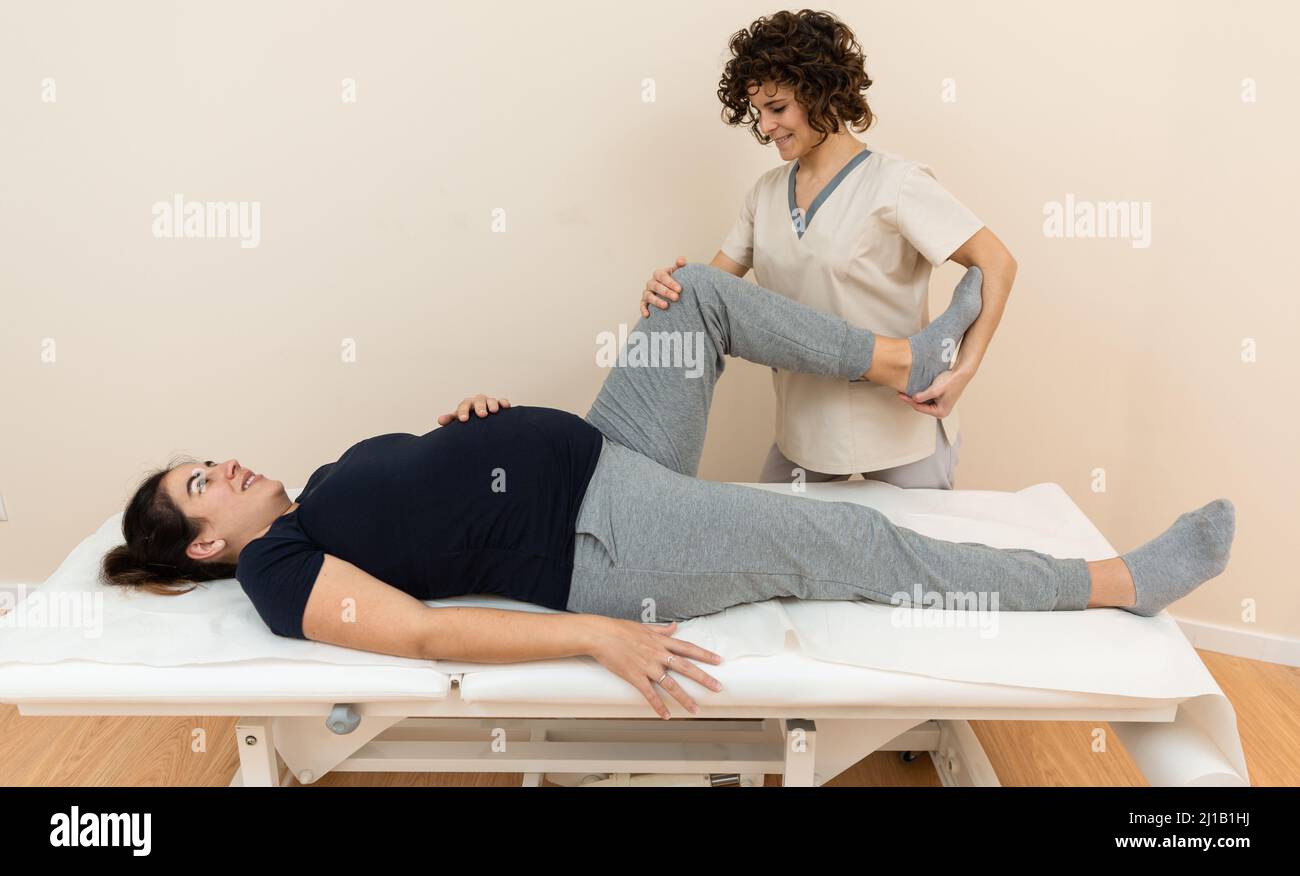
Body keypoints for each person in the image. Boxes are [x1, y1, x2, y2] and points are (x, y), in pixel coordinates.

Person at [101, 264, 1235, 719]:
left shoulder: (324, 488)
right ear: (204, 544)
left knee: (694, 290)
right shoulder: (276, 570)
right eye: (206, 482)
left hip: (605, 447)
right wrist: (597, 635)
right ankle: (1112, 580)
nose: (229, 466)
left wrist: (471, 428)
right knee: (843, 534)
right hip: (610, 539)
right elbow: (424, 629)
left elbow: (440, 498)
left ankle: (913, 361)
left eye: (212, 456)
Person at [641, 8, 1016, 489]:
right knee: (779, 553)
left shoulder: (895, 183)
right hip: (805, 434)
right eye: (758, 113)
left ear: (822, 92)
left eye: (778, 108)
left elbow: (997, 263)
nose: (767, 126)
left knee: (911, 559)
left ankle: (915, 361)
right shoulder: (766, 193)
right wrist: (670, 290)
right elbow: (712, 293)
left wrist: (963, 369)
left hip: (900, 426)